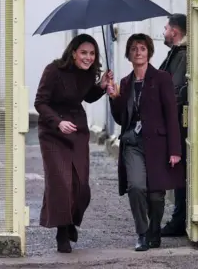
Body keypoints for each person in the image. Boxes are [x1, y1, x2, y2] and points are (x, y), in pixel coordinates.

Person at [34, 33, 112, 253]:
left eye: (92, 53)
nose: (88, 57)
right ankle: (62, 232)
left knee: (81, 187)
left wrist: (102, 85)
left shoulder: (88, 74)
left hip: (77, 131)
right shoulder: (53, 70)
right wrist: (58, 123)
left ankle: (70, 221)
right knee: (61, 183)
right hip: (53, 132)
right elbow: (40, 102)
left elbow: (87, 97)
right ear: (73, 53)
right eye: (83, 53)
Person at [107, 33, 185, 251]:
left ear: (149, 52)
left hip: (158, 144)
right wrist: (114, 98)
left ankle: (154, 230)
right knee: (136, 187)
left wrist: (175, 150)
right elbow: (121, 118)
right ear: (128, 54)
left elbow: (171, 115)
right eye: (133, 48)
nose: (138, 52)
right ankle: (142, 233)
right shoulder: (125, 82)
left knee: (156, 195)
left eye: (142, 48)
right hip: (133, 143)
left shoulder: (162, 78)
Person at [159, 13, 188, 237]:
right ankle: (180, 218)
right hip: (176, 122)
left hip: (180, 124)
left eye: (166, 28)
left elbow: (175, 91)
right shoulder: (177, 54)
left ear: (174, 31)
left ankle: (179, 220)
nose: (164, 32)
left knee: (181, 172)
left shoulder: (183, 55)